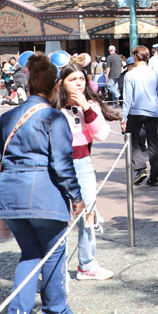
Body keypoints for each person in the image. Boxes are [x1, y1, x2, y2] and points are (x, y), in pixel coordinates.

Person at [0, 53, 84, 314]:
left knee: (30, 254)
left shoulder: (6, 117)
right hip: (44, 193)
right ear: (55, 86)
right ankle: (56, 312)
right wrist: (77, 197)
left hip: (10, 194)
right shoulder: (54, 117)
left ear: (28, 84)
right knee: (53, 254)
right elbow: (61, 162)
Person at [54, 60, 120, 281]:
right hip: (58, 165)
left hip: (83, 164)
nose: (78, 84)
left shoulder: (89, 105)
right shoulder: (53, 106)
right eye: (73, 80)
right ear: (61, 83)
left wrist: (85, 108)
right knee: (59, 216)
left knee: (88, 212)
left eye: (82, 79)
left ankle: (87, 264)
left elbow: (101, 134)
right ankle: (56, 268)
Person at [121, 45, 158, 186]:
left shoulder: (130, 74)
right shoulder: (154, 74)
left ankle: (140, 168)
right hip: (153, 111)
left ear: (135, 57)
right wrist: (157, 108)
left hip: (136, 111)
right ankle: (154, 177)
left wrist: (123, 117)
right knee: (153, 144)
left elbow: (127, 99)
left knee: (132, 140)